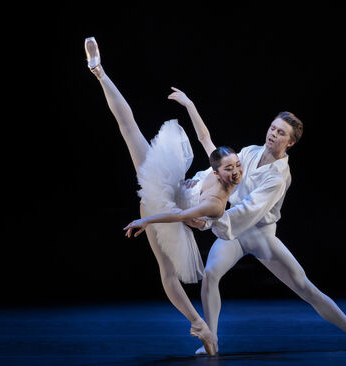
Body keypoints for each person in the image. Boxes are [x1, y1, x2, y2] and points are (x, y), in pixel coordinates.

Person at [84, 37, 242, 356]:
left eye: (236, 167)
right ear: (217, 168)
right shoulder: (215, 169)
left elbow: (179, 217)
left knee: (168, 274)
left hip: (166, 211)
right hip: (167, 188)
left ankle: (201, 327)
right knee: (129, 128)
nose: (234, 171)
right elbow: (204, 136)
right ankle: (97, 69)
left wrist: (146, 219)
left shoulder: (216, 202)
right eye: (228, 166)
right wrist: (188, 104)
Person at [187, 112, 346, 354]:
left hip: (261, 235)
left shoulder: (279, 176)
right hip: (234, 233)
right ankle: (211, 340)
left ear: (290, 142)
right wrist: (198, 193)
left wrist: (208, 222)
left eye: (281, 133)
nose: (273, 134)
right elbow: (218, 169)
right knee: (211, 273)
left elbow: (250, 210)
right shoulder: (249, 152)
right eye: (272, 128)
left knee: (304, 286)